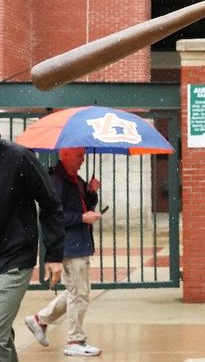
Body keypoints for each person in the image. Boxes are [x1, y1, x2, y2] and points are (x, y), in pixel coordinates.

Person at [25, 148, 99, 357]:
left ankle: (39, 320)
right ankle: (75, 339)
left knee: (76, 292)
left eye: (84, 156)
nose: (82, 160)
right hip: (69, 245)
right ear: (64, 154)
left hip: (79, 243)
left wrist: (92, 192)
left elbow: (85, 205)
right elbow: (54, 215)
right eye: (79, 156)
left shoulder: (75, 180)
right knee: (79, 294)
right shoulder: (57, 181)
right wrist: (82, 218)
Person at [0, 139, 63, 362]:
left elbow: (51, 204)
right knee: (2, 334)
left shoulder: (19, 157)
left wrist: (54, 254)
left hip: (15, 258)